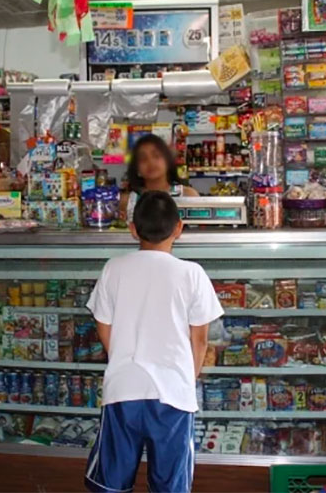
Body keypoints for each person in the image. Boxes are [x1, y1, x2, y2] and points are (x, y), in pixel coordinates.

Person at [84, 191, 223, 493]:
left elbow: (104, 327)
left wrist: (124, 357)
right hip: (173, 394)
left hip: (123, 390)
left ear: (133, 229)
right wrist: (187, 378)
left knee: (112, 481)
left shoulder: (114, 268)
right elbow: (199, 340)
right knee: (170, 484)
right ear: (179, 228)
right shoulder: (193, 274)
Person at [121, 134, 199, 222]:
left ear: (167, 160)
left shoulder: (188, 195)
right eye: (143, 159)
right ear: (136, 168)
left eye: (156, 155)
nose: (151, 162)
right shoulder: (128, 201)